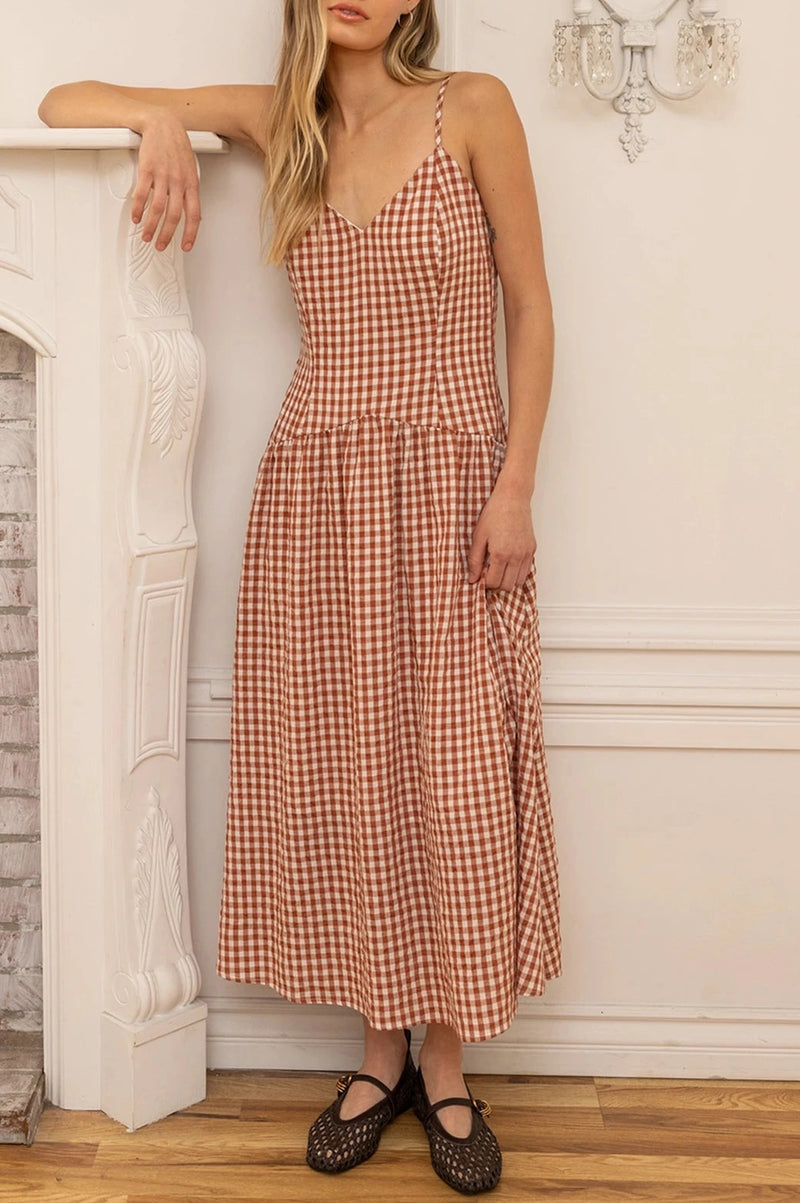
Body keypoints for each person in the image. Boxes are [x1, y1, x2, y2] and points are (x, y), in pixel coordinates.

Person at [39, 0, 562, 1193]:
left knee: (452, 764)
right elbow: (61, 102)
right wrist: (160, 124)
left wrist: (516, 484)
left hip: (452, 482)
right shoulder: (283, 123)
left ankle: (445, 1059)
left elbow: (531, 307)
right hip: (315, 496)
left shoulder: (473, 108)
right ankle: (377, 1055)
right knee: (348, 765)